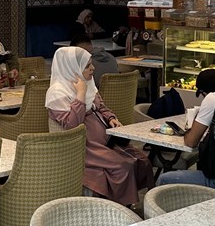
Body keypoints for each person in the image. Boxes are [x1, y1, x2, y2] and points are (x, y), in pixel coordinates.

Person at [46, 46, 154, 205]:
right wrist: (80, 95)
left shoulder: (88, 84)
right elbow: (72, 124)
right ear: (72, 68)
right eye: (87, 65)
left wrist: (111, 118)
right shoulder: (57, 93)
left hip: (106, 139)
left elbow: (101, 107)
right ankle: (120, 209)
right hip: (86, 145)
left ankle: (139, 204)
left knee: (142, 160)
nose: (93, 68)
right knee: (122, 166)